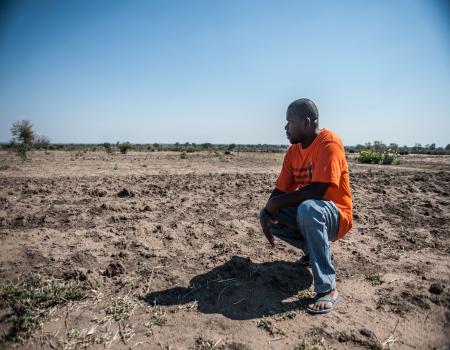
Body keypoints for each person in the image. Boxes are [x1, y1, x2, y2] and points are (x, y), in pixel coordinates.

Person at [259, 98, 352, 314]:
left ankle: (328, 289)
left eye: (290, 122)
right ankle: (314, 252)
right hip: (311, 213)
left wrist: (275, 204)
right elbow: (281, 190)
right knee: (269, 214)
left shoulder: (329, 143)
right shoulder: (293, 152)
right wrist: (267, 210)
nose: (285, 128)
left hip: (336, 215)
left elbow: (318, 190)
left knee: (307, 208)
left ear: (307, 122)